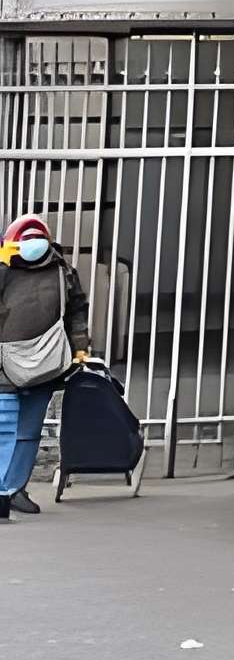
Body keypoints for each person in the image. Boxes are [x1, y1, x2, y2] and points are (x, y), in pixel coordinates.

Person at [0, 215, 91, 519]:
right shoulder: (2, 270)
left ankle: (15, 489)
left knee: (28, 432)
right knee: (4, 427)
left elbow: (76, 310)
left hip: (45, 364)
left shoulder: (63, 272)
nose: (34, 244)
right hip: (3, 365)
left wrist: (80, 346)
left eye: (38, 237)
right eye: (26, 238)